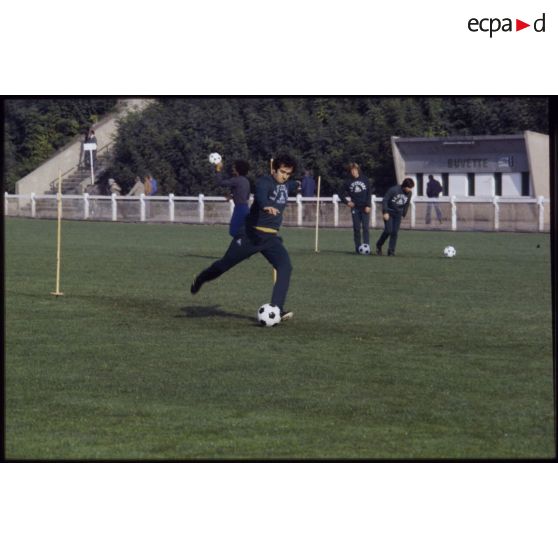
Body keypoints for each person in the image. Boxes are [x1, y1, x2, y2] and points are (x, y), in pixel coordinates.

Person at [191, 153, 298, 322]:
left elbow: (291, 185)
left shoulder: (287, 184)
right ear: (274, 169)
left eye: (288, 173)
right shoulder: (264, 182)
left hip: (270, 239)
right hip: (250, 235)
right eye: (282, 172)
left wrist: (297, 183)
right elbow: (261, 197)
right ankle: (202, 278)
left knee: (285, 267)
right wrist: (266, 207)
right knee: (224, 265)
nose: (284, 176)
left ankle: (277, 309)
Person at [376, 178, 415, 256]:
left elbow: (407, 204)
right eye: (409, 188)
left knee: (394, 232)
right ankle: (379, 245)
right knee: (388, 230)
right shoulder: (393, 190)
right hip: (389, 212)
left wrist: (404, 214)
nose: (410, 190)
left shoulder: (409, 193)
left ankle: (391, 251)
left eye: (411, 188)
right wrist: (385, 212)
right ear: (404, 186)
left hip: (398, 214)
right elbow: (385, 200)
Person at [341, 162, 374, 253]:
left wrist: (368, 205)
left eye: (355, 170)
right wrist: (347, 202)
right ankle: (358, 248)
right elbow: (340, 193)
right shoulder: (348, 182)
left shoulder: (365, 179)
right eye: (352, 171)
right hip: (355, 208)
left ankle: (367, 246)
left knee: (366, 228)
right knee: (356, 228)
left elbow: (369, 193)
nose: (353, 172)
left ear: (358, 170)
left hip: (364, 207)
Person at [214, 159, 251, 237]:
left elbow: (220, 182)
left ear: (237, 170)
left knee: (234, 231)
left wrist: (218, 169)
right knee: (241, 231)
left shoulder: (236, 180)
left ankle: (243, 245)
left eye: (234, 167)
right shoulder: (246, 181)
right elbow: (246, 196)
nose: (232, 169)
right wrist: (233, 196)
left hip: (239, 209)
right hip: (245, 208)